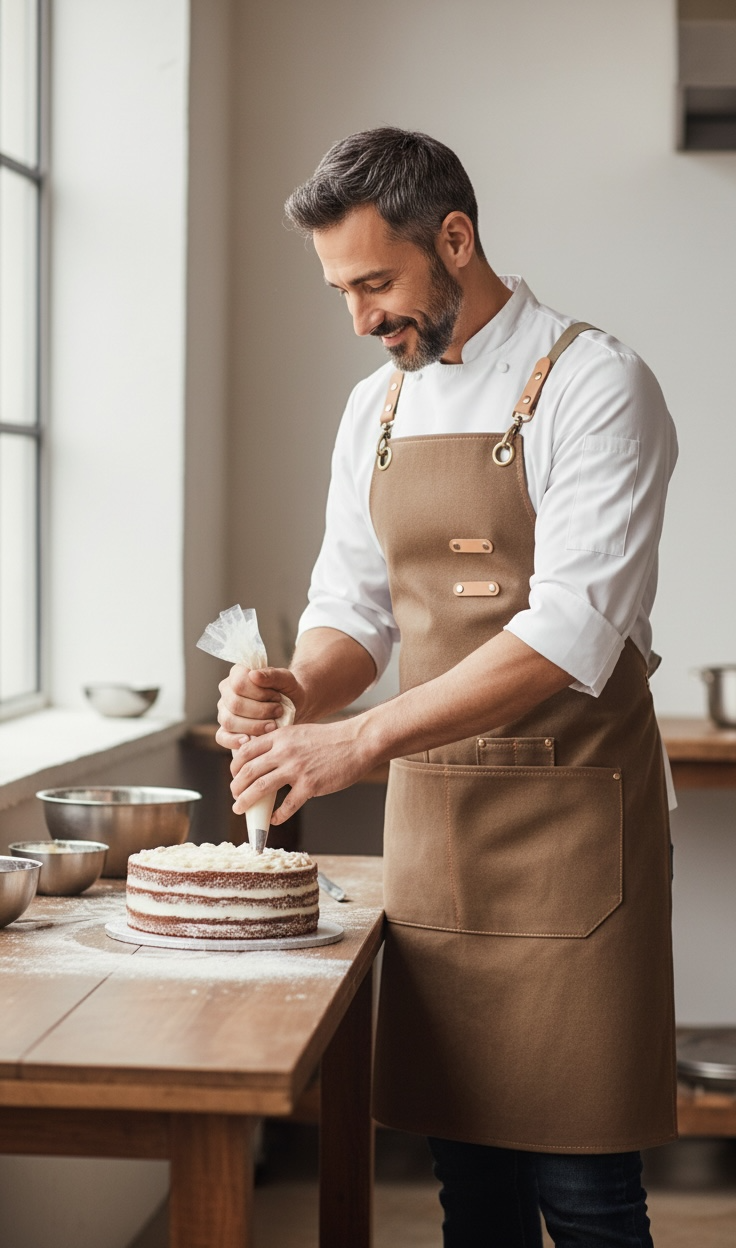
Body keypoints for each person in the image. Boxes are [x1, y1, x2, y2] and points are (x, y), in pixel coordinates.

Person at [217, 127, 678, 1247]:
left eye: (376, 283)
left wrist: (358, 742)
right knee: (470, 1193)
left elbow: (568, 634)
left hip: (575, 839)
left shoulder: (594, 383)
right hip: (439, 838)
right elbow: (353, 611)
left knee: (586, 1196)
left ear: (456, 240)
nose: (360, 318)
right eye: (341, 291)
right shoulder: (374, 411)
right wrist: (296, 689)